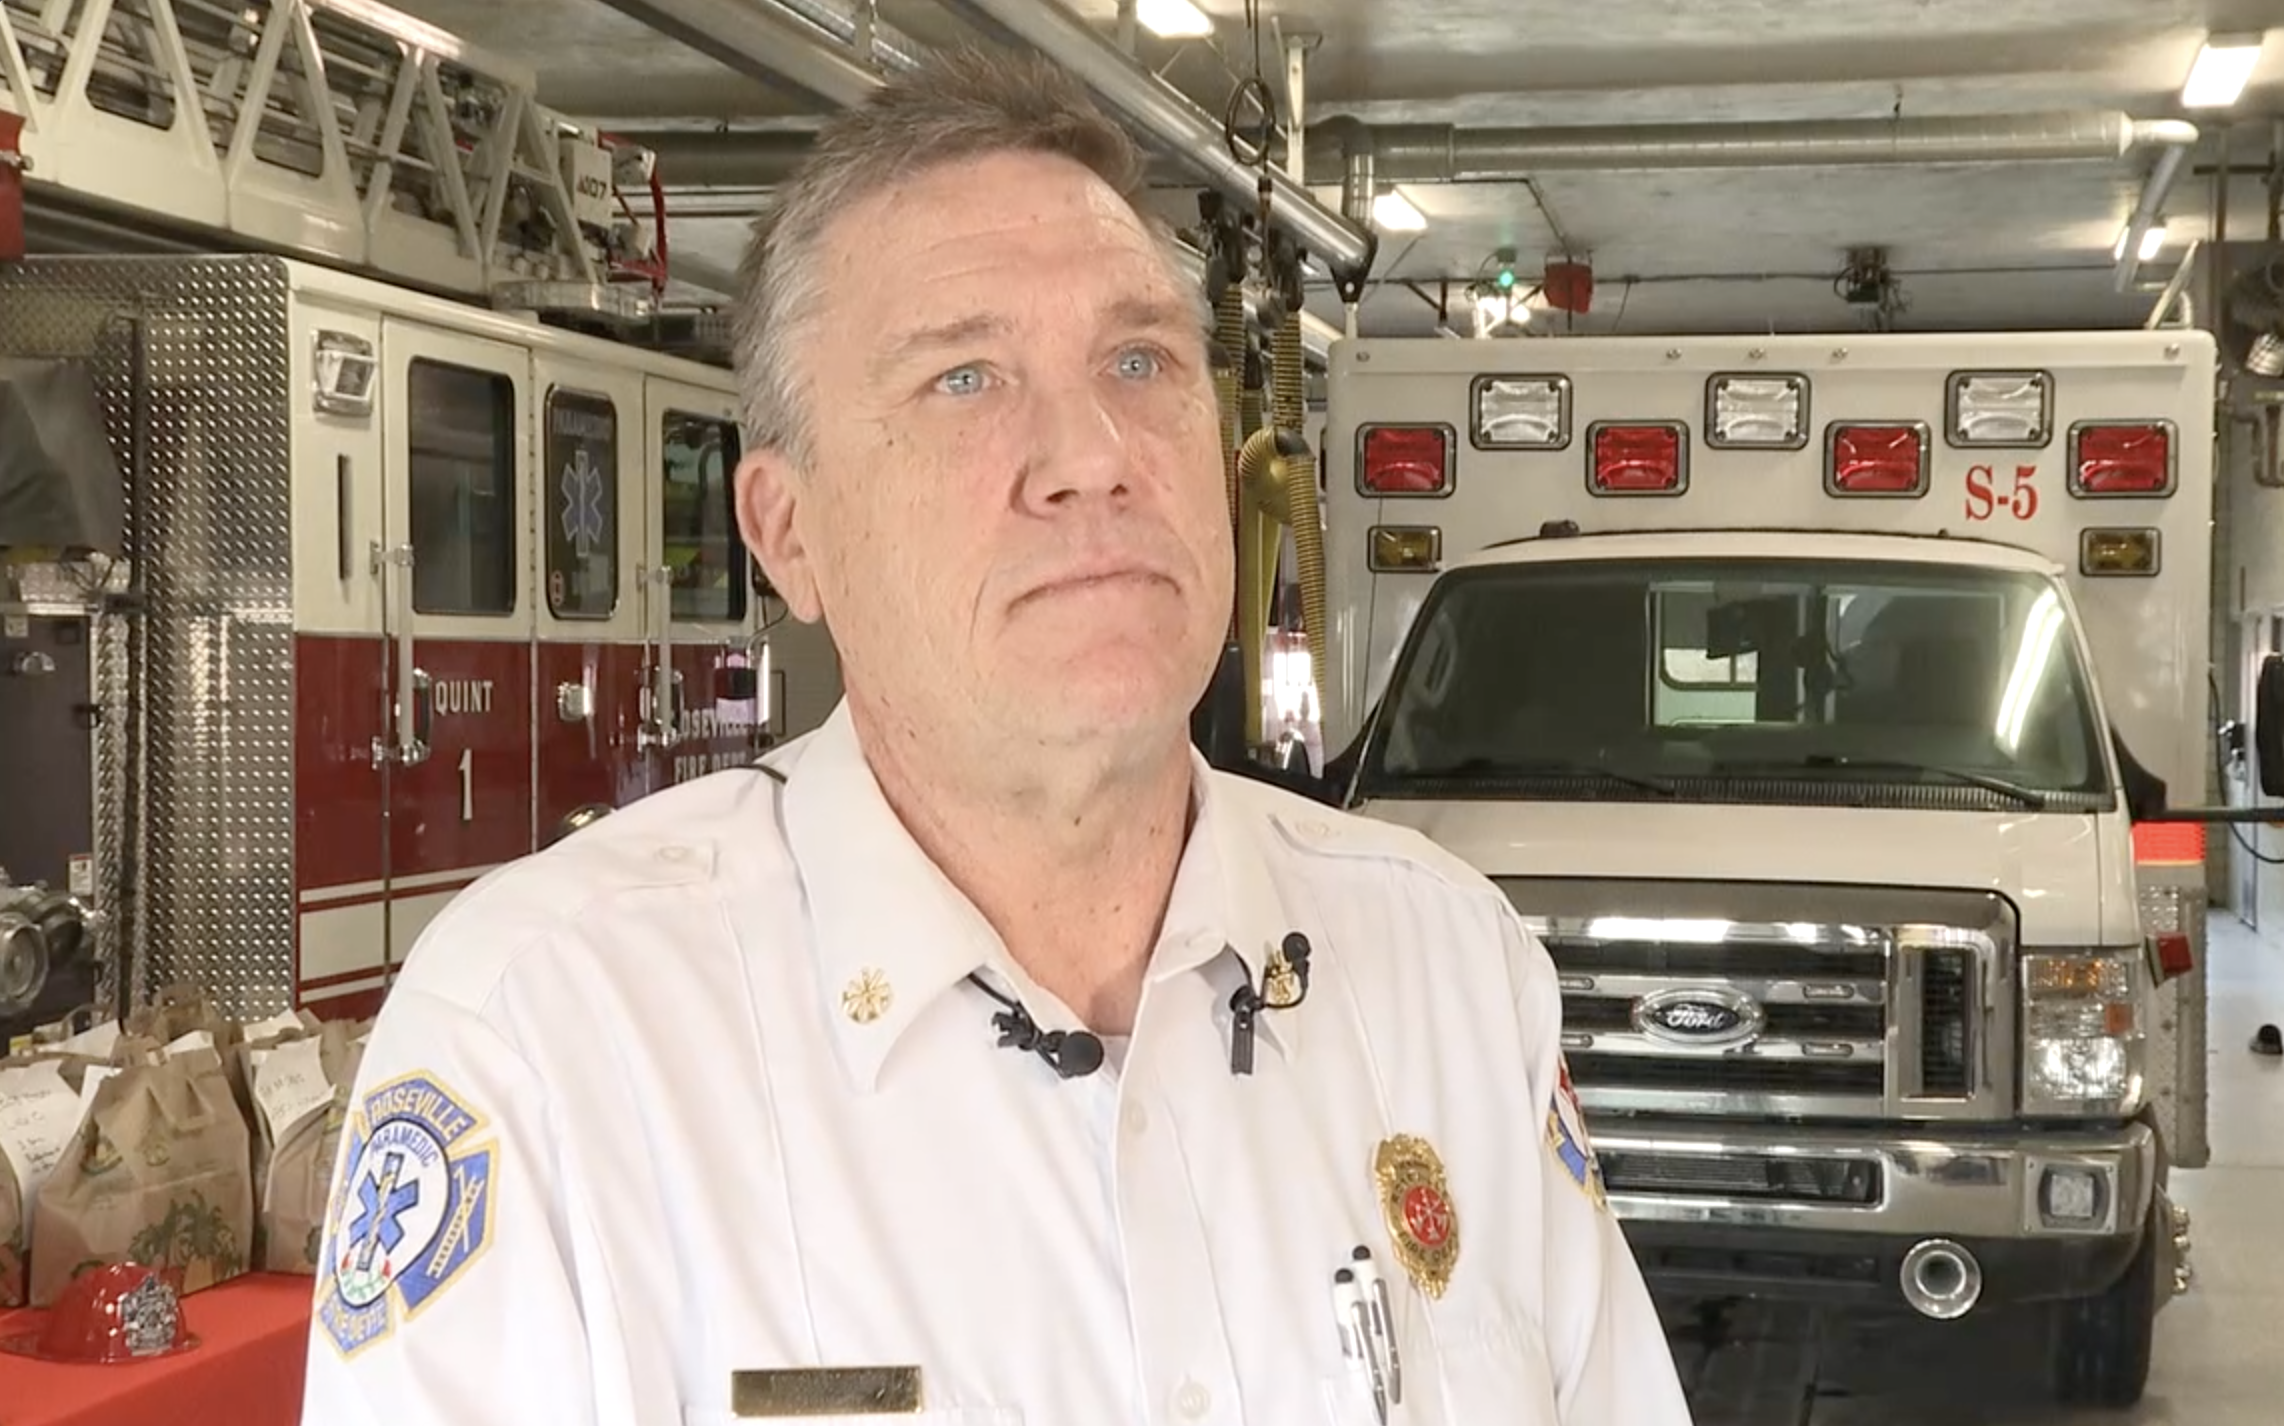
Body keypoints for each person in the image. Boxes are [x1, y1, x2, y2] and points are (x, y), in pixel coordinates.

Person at [301, 43, 1692, 1426]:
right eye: (964, 378)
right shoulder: (550, 1043)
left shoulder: (1450, 971)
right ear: (788, 531)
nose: (1093, 455)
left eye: (1138, 359)